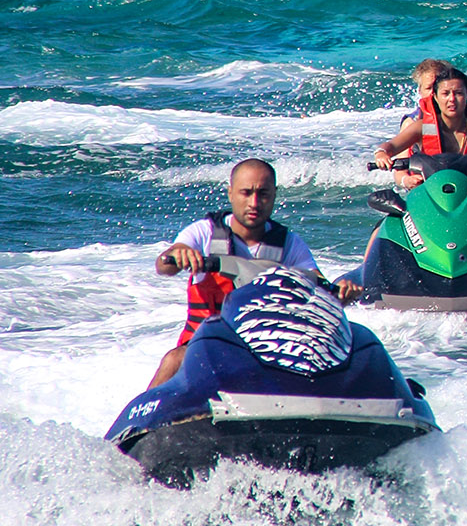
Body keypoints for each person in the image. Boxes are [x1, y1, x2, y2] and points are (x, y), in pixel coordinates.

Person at [148, 159, 358, 388]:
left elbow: (317, 286)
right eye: (246, 193)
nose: (254, 203)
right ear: (230, 194)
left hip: (267, 347)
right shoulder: (204, 233)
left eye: (263, 194)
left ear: (275, 195)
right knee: (174, 359)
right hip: (205, 345)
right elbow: (164, 265)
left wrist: (339, 296)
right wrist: (179, 256)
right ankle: (138, 423)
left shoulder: (288, 244)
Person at [373, 67, 467, 187]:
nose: (452, 99)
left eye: (459, 93)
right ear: (435, 96)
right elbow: (390, 146)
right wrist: (381, 154)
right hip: (431, 193)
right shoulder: (421, 127)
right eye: (445, 93)